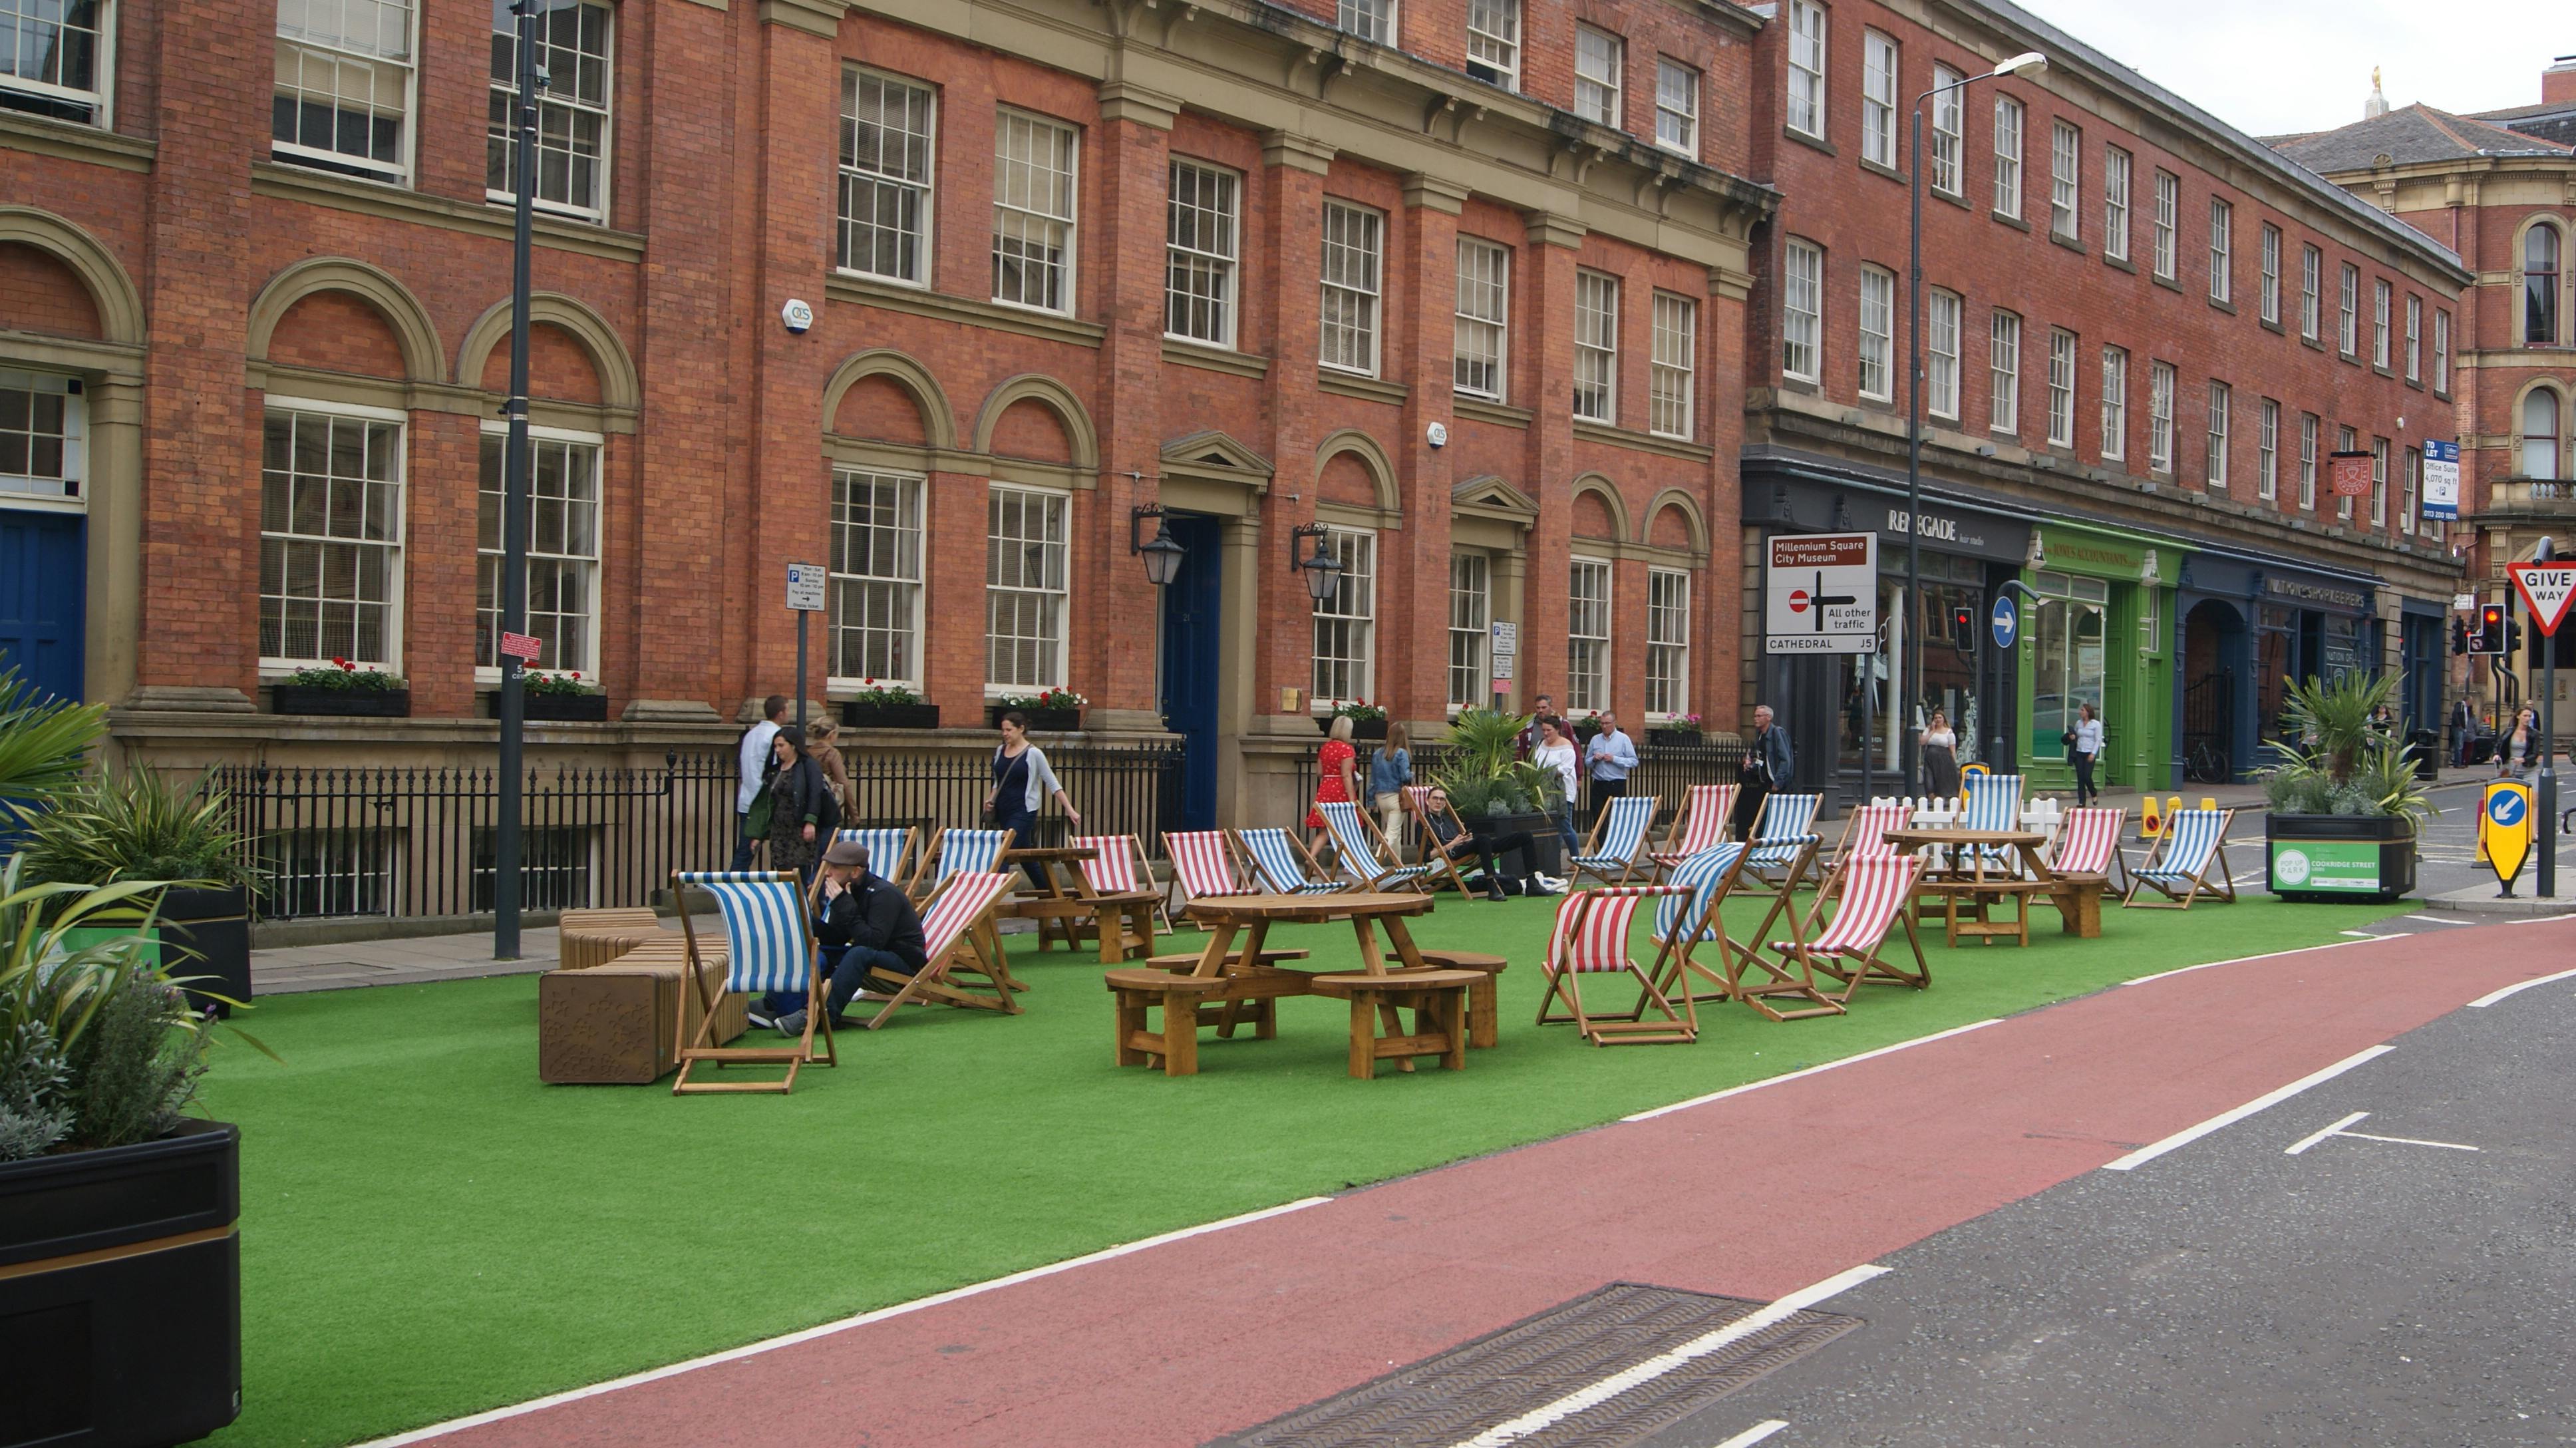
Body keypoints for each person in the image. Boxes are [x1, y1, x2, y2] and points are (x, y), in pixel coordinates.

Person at [751, 838, 929, 1036]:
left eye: (835, 867)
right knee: (813, 950)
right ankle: (772, 1004)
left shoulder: (884, 894)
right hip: (870, 955)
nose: (827, 873)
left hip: (905, 961)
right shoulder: (846, 891)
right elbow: (837, 938)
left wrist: (843, 903)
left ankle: (823, 1015)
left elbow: (873, 942)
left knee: (858, 953)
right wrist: (807, 920)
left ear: (855, 872)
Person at [987, 711, 1080, 888]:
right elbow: (997, 781)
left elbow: (1052, 782)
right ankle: (1049, 892)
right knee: (1026, 857)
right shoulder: (1000, 751)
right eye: (1003, 730)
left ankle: (990, 895)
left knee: (1003, 853)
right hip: (1004, 809)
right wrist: (991, 799)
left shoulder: (1033, 753)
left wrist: (1070, 809)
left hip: (1024, 811)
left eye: (1009, 730)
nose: (1005, 734)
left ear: (1021, 729)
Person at [1418, 785, 1557, 900]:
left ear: (1445, 803)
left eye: (1442, 799)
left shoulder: (1448, 820)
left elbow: (1463, 839)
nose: (1438, 802)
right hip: (1454, 853)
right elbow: (1427, 856)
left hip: (1469, 847)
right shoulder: (1423, 823)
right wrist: (1453, 844)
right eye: (1435, 798)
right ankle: (1492, 886)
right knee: (1483, 838)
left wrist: (1466, 839)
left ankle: (1532, 883)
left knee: (1525, 836)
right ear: (1427, 801)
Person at [762, 725, 834, 885]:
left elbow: (815, 793)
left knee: (798, 872)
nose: (777, 750)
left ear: (793, 745)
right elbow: (767, 801)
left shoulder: (808, 765)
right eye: (775, 746)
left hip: (799, 828)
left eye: (781, 745)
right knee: (782, 871)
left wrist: (810, 821)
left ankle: (803, 901)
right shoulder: (776, 770)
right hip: (780, 829)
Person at [731, 694, 787, 870]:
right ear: (781, 713)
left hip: (747, 800)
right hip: (766, 802)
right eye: (787, 710)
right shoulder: (777, 736)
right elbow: (779, 769)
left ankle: (731, 884)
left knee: (745, 852)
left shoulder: (751, 734)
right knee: (784, 851)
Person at [1732, 704, 1792, 840]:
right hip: (1764, 784)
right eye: (1755, 716)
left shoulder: (1777, 733)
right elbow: (1762, 760)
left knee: (1775, 817)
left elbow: (1785, 760)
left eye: (1759, 716)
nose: (1755, 719)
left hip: (1776, 784)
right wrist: (1751, 765)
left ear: (1768, 718)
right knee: (1764, 818)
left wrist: (1778, 782)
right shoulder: (1760, 736)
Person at [1307, 714, 1361, 849]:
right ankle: (1348, 859)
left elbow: (1320, 772)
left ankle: (1311, 857)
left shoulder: (1325, 748)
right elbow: (1346, 775)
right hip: (1340, 790)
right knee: (1347, 827)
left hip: (1326, 788)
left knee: (1325, 829)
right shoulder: (1347, 749)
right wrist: (1352, 799)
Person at [1531, 714, 1581, 855]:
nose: (1546, 733)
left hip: (1562, 792)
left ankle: (1575, 857)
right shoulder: (1541, 744)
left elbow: (1565, 769)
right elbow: (1536, 763)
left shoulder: (1567, 746)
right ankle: (1554, 858)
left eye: (1549, 730)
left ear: (1557, 729)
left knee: (1564, 825)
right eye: (1544, 730)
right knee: (1551, 827)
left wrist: (1546, 772)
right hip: (1545, 790)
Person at [1583, 710, 1637, 828]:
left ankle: (1617, 839)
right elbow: (1587, 762)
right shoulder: (1595, 739)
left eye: (1607, 723)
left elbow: (1634, 761)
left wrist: (1615, 759)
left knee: (1617, 818)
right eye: (1602, 723)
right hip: (1599, 784)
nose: (1604, 726)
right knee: (1598, 819)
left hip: (1616, 783)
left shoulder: (1623, 739)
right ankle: (1601, 840)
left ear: (1614, 723)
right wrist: (1594, 759)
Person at [1369, 721, 1413, 842]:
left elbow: (1373, 779)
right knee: (1392, 833)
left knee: (1395, 832)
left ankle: (1396, 856)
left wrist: (1371, 800)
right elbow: (1405, 777)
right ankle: (1379, 855)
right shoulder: (1402, 753)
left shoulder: (1377, 753)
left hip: (1380, 797)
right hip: (1396, 796)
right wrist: (1412, 775)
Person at [804, 717, 852, 819]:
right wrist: (853, 813)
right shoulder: (832, 753)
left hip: (809, 804)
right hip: (828, 804)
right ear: (832, 734)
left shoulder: (808, 753)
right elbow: (843, 782)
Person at [2070, 701, 2104, 807]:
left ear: (2088, 712)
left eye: (2082, 710)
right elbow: (2076, 735)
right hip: (2079, 752)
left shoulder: (2095, 724)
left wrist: (2093, 754)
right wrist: (2072, 737)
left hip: (2089, 753)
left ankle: (2093, 793)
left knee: (2087, 776)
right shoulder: (2078, 723)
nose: (2080, 712)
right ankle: (2082, 801)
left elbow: (2098, 740)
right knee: (2080, 777)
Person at [1921, 709, 1961, 798]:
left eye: (1940, 718)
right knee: (1929, 782)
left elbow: (1952, 750)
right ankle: (1931, 798)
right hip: (1930, 759)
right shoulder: (1928, 729)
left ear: (1944, 719)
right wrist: (1932, 731)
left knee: (1941, 783)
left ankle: (1941, 800)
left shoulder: (1949, 732)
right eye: (1936, 718)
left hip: (1944, 760)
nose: (1938, 720)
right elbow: (1922, 742)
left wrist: (1954, 764)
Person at [2500, 706, 2541, 777]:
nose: (2527, 719)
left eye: (2529, 716)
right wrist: (2496, 755)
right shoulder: (2509, 731)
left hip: (2529, 772)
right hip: (2511, 771)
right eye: (2525, 716)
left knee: (2533, 785)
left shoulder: (2534, 733)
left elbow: (2535, 753)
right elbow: (2499, 745)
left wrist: (2524, 759)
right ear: (2518, 716)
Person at [1516, 695, 1555, 760]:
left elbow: (1572, 748)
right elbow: (1521, 751)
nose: (1540, 710)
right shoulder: (1527, 726)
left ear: (1551, 707)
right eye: (1538, 708)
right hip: (1533, 765)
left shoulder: (1563, 725)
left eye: (1544, 708)